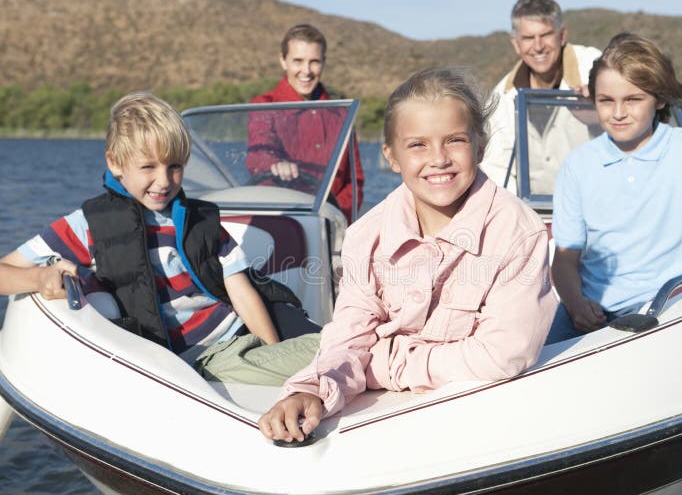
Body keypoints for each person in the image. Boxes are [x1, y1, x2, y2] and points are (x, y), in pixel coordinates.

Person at [257, 67, 558, 443]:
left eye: (455, 140)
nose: (438, 159)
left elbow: (502, 354)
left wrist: (385, 364)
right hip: (385, 420)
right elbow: (351, 334)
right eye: (418, 145)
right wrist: (312, 390)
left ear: (480, 146)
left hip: (480, 421)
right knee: (250, 366)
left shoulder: (517, 233)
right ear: (392, 156)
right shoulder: (367, 235)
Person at [0, 92, 319, 375]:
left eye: (175, 166)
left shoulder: (200, 220)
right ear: (115, 163)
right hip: (209, 357)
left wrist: (272, 351)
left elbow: (241, 291)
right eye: (148, 167)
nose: (164, 181)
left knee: (341, 342)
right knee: (335, 354)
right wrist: (39, 279)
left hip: (241, 327)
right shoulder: (86, 226)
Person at [546, 33, 682, 343]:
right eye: (606, 100)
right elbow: (565, 260)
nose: (618, 112)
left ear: (659, 99)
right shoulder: (577, 165)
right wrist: (576, 305)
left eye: (633, 99)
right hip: (591, 312)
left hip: (671, 308)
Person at [482, 0, 601, 195]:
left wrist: (599, 113)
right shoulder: (502, 96)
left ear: (562, 35)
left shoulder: (597, 68)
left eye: (545, 35)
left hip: (596, 206)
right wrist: (516, 212)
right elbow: (496, 167)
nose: (538, 46)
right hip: (535, 216)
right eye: (528, 38)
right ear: (516, 44)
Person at [246, 23, 364, 223]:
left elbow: (354, 181)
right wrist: (274, 164)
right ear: (283, 61)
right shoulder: (264, 106)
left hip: (331, 224)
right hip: (283, 221)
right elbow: (258, 155)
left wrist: (335, 218)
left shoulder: (341, 113)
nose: (306, 71)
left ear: (323, 63)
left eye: (314, 62)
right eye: (298, 61)